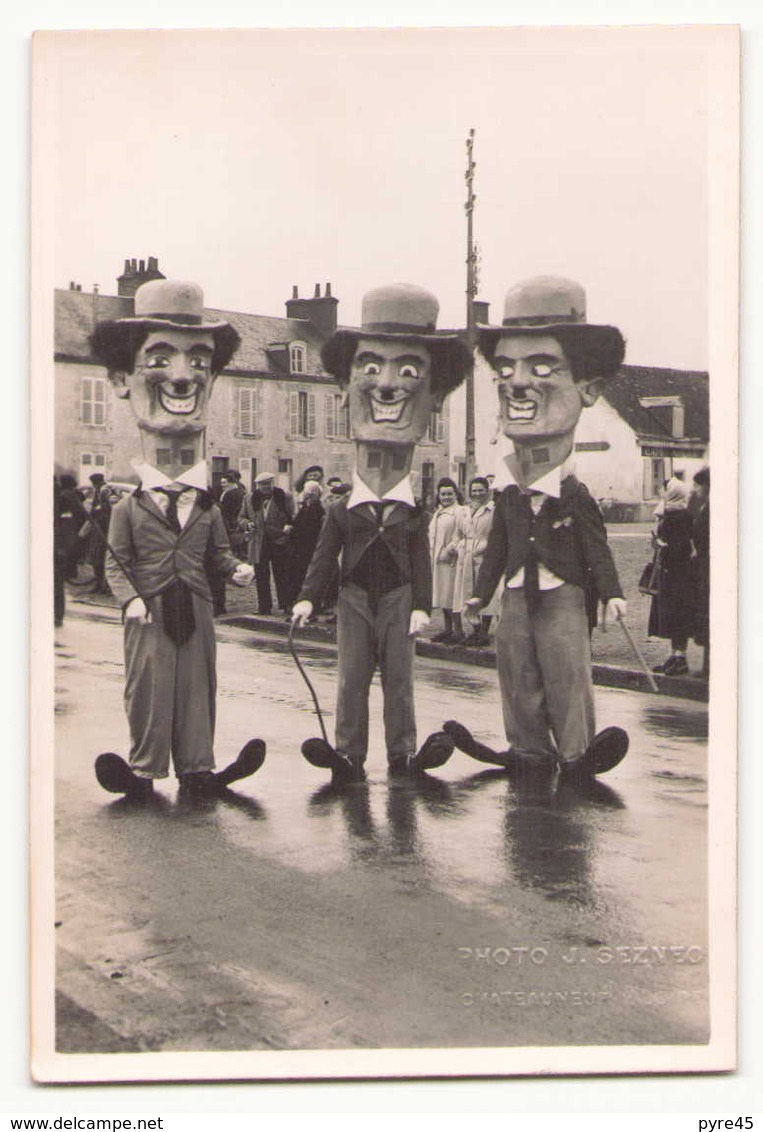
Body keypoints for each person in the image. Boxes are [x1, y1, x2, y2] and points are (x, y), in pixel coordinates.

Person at [444, 276, 629, 783]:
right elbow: (497, 547)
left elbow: (597, 549)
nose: (517, 382)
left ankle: (575, 751)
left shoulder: (574, 494)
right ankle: (527, 747)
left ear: (587, 389)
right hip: (517, 595)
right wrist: (481, 594)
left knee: (567, 672)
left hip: (562, 591)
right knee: (516, 669)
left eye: (542, 367)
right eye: (506, 368)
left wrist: (611, 594)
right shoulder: (508, 492)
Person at [88, 279, 262, 800]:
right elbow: (116, 564)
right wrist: (132, 602)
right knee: (148, 687)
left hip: (199, 606)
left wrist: (236, 569)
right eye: (160, 359)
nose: (183, 376)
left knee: (197, 687)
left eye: (198, 362)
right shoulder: (127, 507)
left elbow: (221, 552)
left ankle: (197, 765)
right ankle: (144, 768)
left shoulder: (206, 506)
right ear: (124, 377)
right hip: (151, 608)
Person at [291, 282, 471, 782]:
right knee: (350, 678)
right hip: (352, 597)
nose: (388, 385)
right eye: (371, 369)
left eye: (408, 371)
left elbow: (421, 555)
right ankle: (349, 752)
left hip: (397, 597)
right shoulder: (342, 510)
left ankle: (402, 751)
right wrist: (308, 598)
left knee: (399, 679)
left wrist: (421, 606)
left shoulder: (413, 511)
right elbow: (323, 559)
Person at [648, 477, 696, 676]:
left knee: (678, 615)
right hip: (669, 572)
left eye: (665, 490)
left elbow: (682, 547)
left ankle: (681, 657)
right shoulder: (670, 513)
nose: (662, 494)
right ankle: (673, 655)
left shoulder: (683, 516)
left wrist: (662, 546)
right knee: (669, 615)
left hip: (679, 574)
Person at [238, 472, 294, 615]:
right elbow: (241, 517)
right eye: (263, 484)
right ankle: (264, 607)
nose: (266, 487)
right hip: (258, 541)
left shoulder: (284, 497)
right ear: (257, 486)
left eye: (269, 483)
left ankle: (286, 605)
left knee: (282, 574)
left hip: (278, 540)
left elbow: (292, 515)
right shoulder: (249, 498)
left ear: (273, 483)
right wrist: (248, 524)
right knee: (261, 575)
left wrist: (288, 526)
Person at [453, 475, 499, 647]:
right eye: (474, 490)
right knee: (467, 592)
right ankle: (474, 629)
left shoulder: (492, 510)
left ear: (487, 491)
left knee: (483, 592)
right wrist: (458, 547)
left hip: (483, 553)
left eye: (481, 490)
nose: (477, 493)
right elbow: (456, 534)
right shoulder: (463, 511)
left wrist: (484, 547)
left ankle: (484, 631)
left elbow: (496, 534)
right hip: (465, 554)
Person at [429, 477, 467, 643]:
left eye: (449, 494)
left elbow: (462, 533)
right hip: (437, 560)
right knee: (442, 595)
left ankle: (458, 631)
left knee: (452, 595)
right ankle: (448, 629)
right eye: (443, 494)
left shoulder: (460, 511)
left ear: (456, 494)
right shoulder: (437, 513)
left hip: (451, 559)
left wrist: (450, 549)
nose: (446, 497)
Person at [283, 479, 325, 613]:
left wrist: (293, 530)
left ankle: (307, 606)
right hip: (300, 549)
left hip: (307, 550)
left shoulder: (316, 509)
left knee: (304, 578)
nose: (306, 496)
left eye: (308, 493)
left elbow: (307, 529)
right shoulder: (306, 508)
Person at [690, 467, 710, 678]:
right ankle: (707, 666)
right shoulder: (705, 506)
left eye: (697, 485)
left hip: (707, 569)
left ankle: (709, 667)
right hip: (703, 567)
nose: (694, 489)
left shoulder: (711, 508)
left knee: (708, 614)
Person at [85, 472, 113, 593]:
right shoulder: (101, 491)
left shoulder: (104, 491)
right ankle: (100, 584)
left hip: (103, 531)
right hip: (100, 529)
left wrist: (96, 512)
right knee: (98, 558)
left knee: (101, 558)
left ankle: (104, 585)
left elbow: (105, 511)